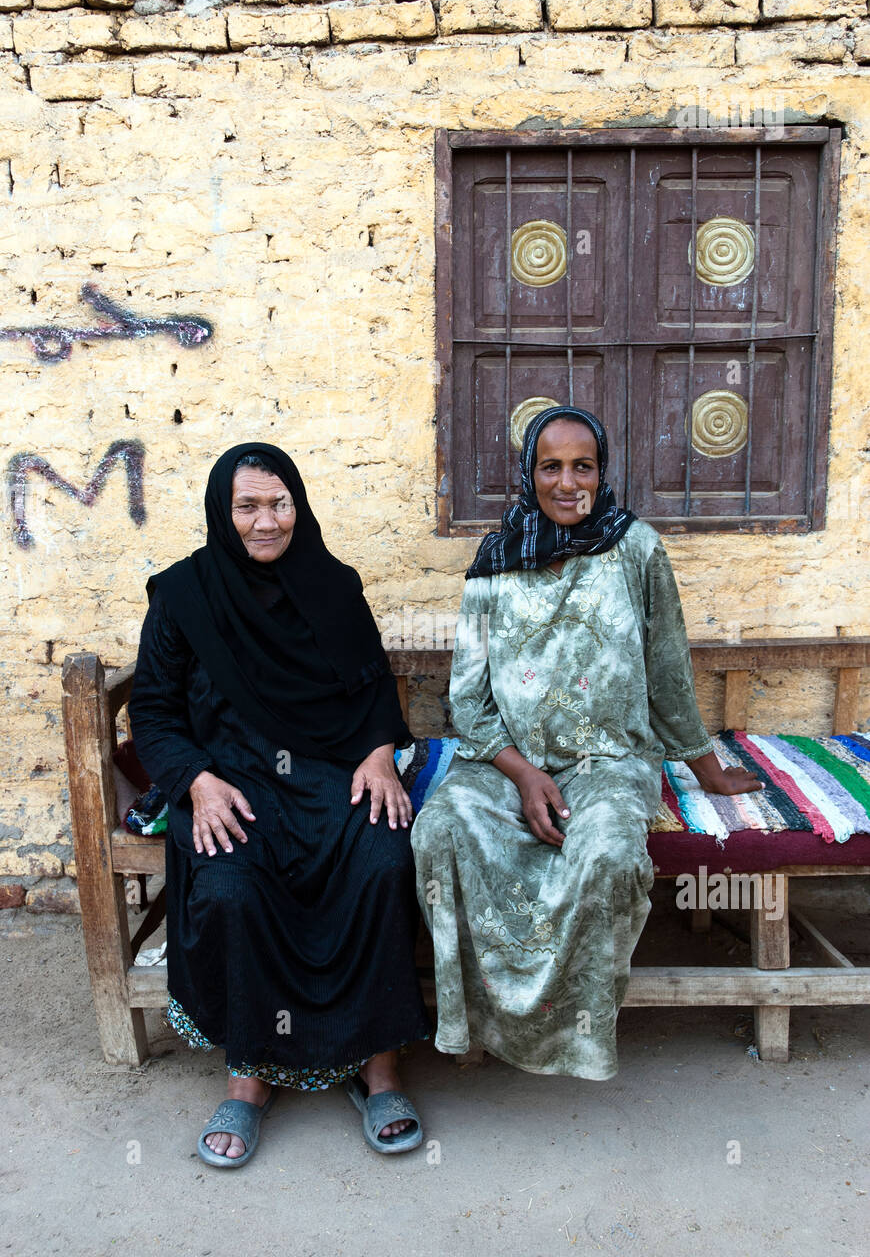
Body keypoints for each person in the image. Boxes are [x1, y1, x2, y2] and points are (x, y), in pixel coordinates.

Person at [410, 406, 762, 1081]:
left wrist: (706, 769)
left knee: (607, 854)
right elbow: (469, 695)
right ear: (529, 473)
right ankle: (474, 1024)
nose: (568, 482)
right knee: (440, 832)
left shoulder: (636, 549)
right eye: (551, 466)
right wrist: (520, 773)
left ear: (603, 473)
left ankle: (575, 1038)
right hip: (503, 760)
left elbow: (665, 667)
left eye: (584, 466)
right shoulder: (496, 559)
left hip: (609, 760)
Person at [128, 442, 430, 1166]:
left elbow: (372, 688)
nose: (266, 522)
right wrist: (195, 781)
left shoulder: (334, 584)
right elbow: (154, 710)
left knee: (383, 860)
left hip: (331, 776)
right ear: (221, 513)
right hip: (231, 783)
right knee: (231, 886)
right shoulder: (183, 596)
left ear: (299, 505)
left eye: (279, 503)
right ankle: (250, 1074)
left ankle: (378, 1064)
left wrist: (379, 751)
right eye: (248, 507)